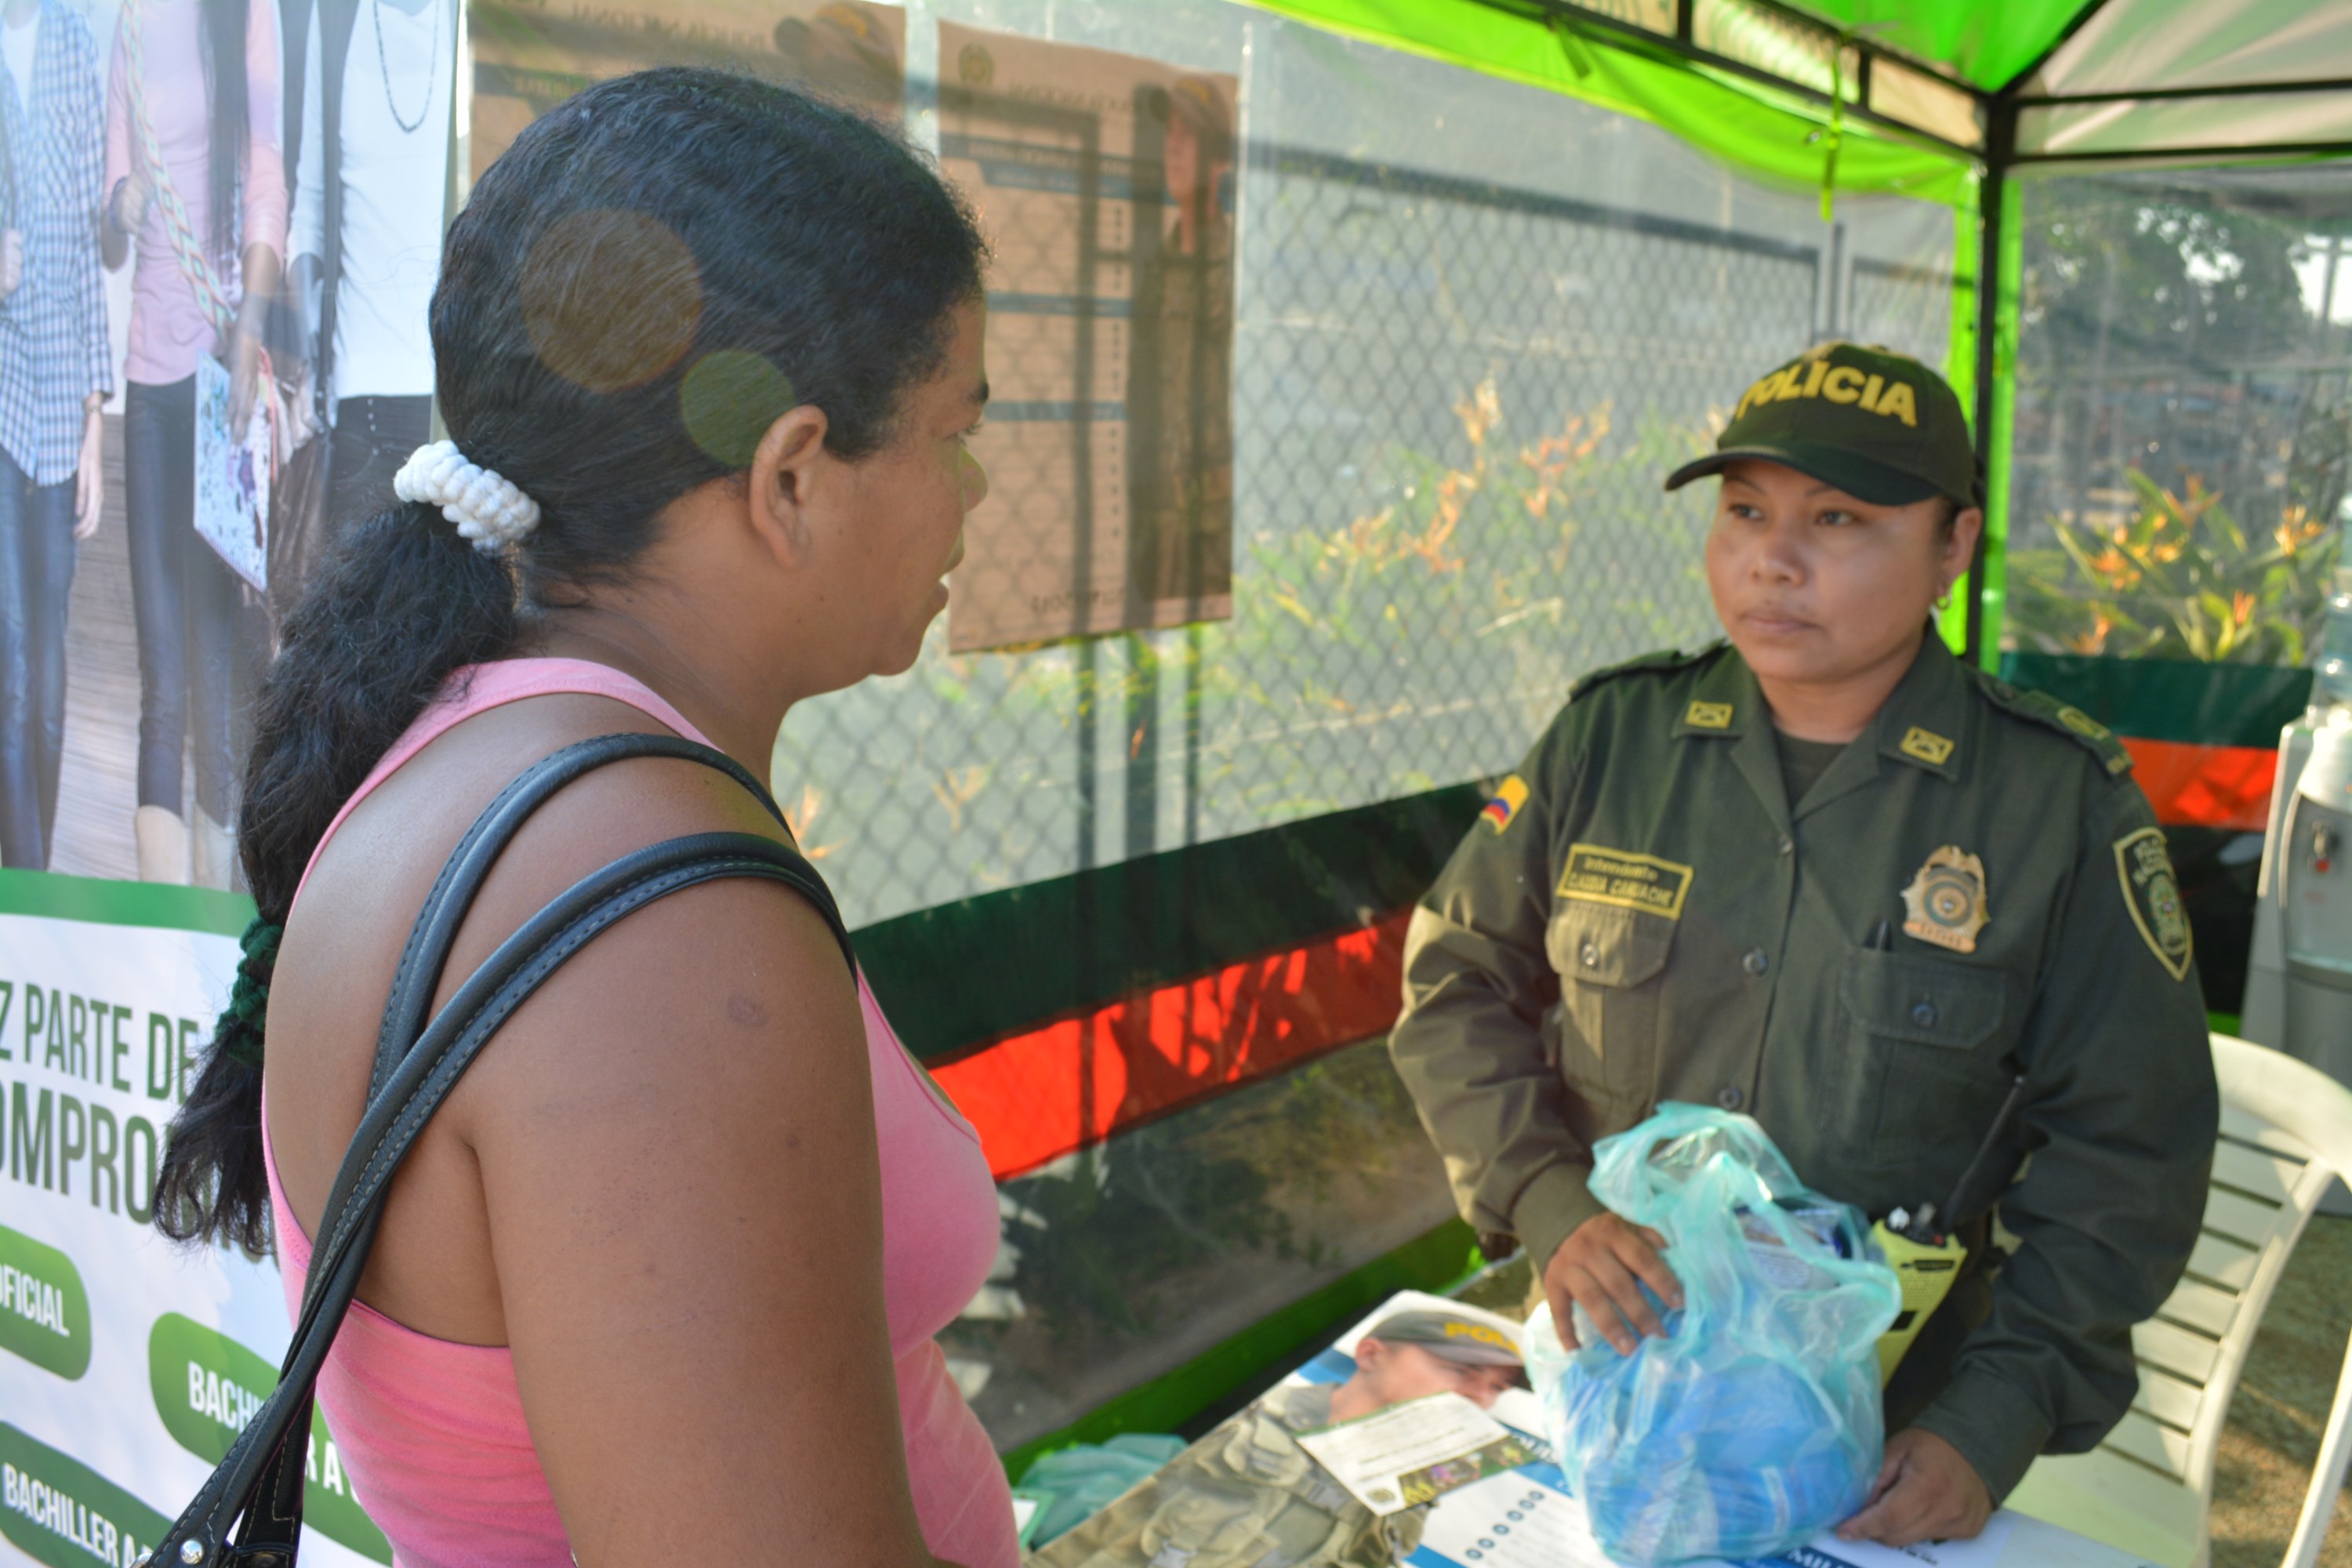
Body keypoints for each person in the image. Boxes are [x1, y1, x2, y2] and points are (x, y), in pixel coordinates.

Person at [149, 69, 1014, 1566]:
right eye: (952, 430)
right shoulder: (653, 923)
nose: (977, 487)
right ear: (792, 477)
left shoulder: (488, 755)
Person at [1388, 341, 2219, 1550]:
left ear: (1954, 548)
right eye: (1744, 511)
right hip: (1615, 1389)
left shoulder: (2057, 805)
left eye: (1838, 518)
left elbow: (2129, 1153)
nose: (1772, 558)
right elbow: (1455, 981)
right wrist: (1547, 1201)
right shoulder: (1610, 744)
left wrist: (1994, 1417)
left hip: (1890, 1439)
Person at [103, 0, 285, 885]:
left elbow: (266, 174)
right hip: (149, 380)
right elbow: (110, 224)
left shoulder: (247, 14)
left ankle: (210, 920)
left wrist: (250, 326)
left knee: (216, 661)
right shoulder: (131, 27)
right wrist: (120, 203)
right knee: (161, 662)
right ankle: (154, 921)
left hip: (223, 380)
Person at [1032, 1308, 1526, 1568]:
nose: (1479, 1397)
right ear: (1372, 1354)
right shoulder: (1239, 1430)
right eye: (1459, 1370)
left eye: (1497, 1388)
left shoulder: (1418, 1488)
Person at [0, 0, 110, 869]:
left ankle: (25, 884)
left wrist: (92, 437)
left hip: (57, 401)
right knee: (10, 662)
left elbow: (83, 248)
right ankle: (20, 883)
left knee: (43, 679)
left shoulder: (76, 43)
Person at [285, 0, 453, 543]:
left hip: (454, 409)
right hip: (359, 403)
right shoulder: (335, 17)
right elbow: (308, 210)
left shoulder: (466, 22)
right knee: (356, 621)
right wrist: (313, 353)